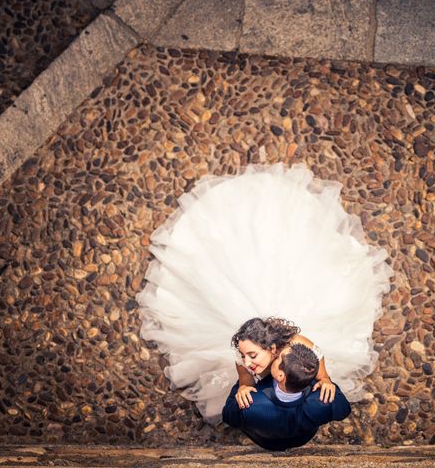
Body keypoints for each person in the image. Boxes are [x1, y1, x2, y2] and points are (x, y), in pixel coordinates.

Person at [136, 163, 393, 424]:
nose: (247, 362)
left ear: (273, 349)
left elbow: (318, 352)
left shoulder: (296, 344)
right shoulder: (243, 358)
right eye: (245, 355)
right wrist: (246, 385)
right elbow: (244, 371)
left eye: (252, 356)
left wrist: (324, 378)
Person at [222, 342, 351, 451]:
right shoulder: (324, 402)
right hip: (303, 438)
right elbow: (345, 409)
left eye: (278, 358)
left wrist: (241, 387)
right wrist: (326, 382)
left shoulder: (250, 404)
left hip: (265, 442)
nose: (275, 354)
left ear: (280, 375)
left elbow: (228, 416)